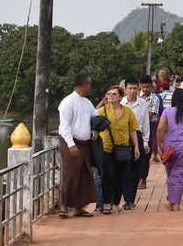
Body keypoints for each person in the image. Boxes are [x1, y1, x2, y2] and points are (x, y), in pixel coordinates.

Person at [57, 72, 98, 218]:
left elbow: (95, 117)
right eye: (90, 84)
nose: (90, 87)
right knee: (71, 174)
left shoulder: (87, 102)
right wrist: (71, 145)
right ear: (85, 84)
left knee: (84, 174)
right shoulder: (68, 102)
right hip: (71, 142)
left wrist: (94, 130)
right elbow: (65, 126)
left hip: (85, 143)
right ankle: (63, 206)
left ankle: (79, 207)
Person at [98, 85, 140, 211]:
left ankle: (116, 203)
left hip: (123, 149)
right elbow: (94, 126)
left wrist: (136, 147)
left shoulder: (127, 111)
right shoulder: (102, 111)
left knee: (120, 177)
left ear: (120, 97)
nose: (110, 95)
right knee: (108, 175)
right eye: (109, 93)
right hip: (106, 148)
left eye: (114, 94)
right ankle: (106, 204)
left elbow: (132, 130)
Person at [156, 87, 183, 210]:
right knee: (180, 175)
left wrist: (159, 145)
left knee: (171, 174)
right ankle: (177, 204)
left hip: (169, 146)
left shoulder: (167, 112)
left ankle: (172, 203)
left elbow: (160, 129)